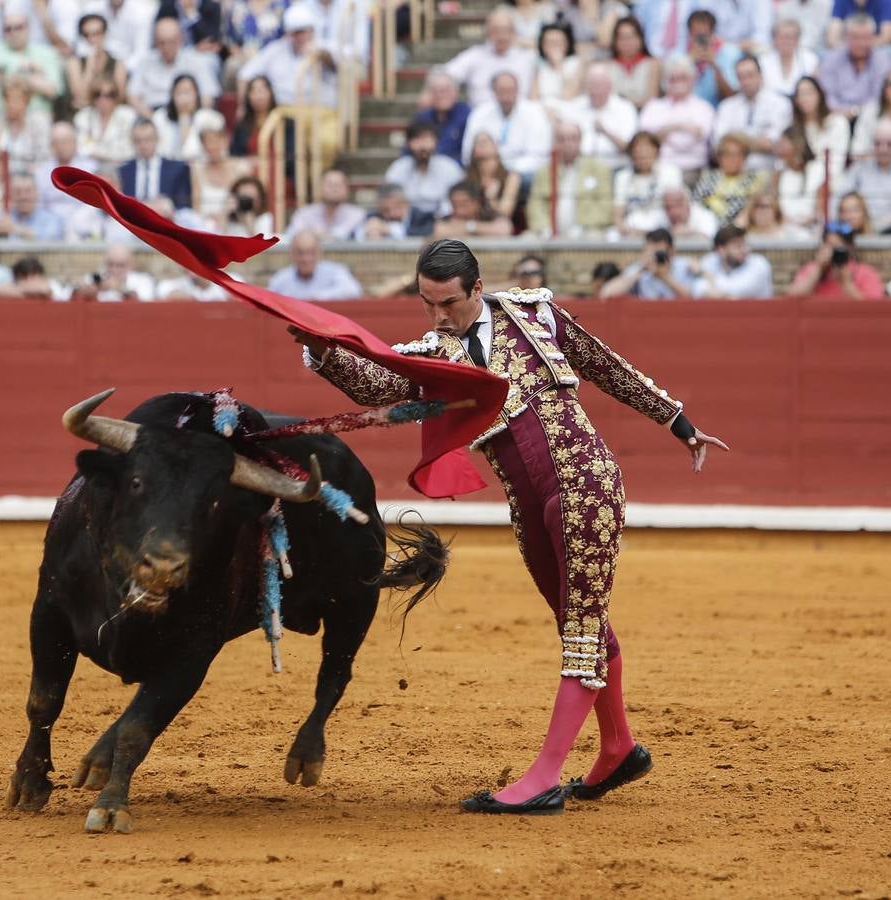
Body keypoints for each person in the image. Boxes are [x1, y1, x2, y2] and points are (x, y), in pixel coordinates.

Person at [291, 238, 726, 816]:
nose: (438, 315)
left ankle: (544, 777)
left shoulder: (536, 314)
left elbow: (605, 365)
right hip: (527, 502)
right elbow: (378, 382)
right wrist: (323, 351)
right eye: (427, 303)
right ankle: (618, 747)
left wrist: (679, 423)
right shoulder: (436, 354)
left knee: (581, 628)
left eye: (448, 302)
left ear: (477, 287)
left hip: (584, 483)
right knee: (579, 619)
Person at [234, 4, 336, 107]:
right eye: (294, 32)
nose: (299, 37)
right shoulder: (276, 49)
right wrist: (242, 107)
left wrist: (323, 56)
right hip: (283, 112)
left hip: (320, 113)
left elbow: (341, 67)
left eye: (302, 31)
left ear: (312, 31)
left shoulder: (325, 48)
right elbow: (244, 75)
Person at [527, 120, 614, 237]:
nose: (567, 144)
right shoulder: (544, 171)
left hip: (588, 231)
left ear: (580, 141)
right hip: (548, 233)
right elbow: (535, 205)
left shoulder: (598, 169)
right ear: (555, 143)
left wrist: (583, 226)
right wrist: (544, 227)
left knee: (595, 237)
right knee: (526, 239)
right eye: (562, 139)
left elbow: (605, 208)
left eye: (572, 139)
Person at [461, 71, 553, 179]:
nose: (506, 96)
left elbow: (538, 155)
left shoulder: (534, 113)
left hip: (522, 173)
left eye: (510, 90)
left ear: (518, 90)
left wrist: (509, 172)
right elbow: (468, 153)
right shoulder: (479, 113)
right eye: (501, 90)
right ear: (493, 91)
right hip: (485, 171)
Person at [443, 8, 537, 109]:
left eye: (505, 30)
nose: (501, 35)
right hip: (480, 118)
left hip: (519, 118)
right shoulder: (474, 55)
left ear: (513, 32)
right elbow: (446, 74)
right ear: (488, 33)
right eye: (496, 30)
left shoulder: (527, 58)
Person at [638, 57, 715, 177]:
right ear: (665, 81)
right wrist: (683, 127)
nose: (678, 83)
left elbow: (698, 136)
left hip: (694, 169)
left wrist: (666, 131)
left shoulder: (704, 108)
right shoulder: (653, 107)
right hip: (660, 170)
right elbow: (647, 140)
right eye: (672, 79)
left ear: (692, 79)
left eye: (683, 78)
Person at [712, 55, 791, 171]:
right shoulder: (727, 106)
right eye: (741, 77)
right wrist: (758, 143)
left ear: (761, 75)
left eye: (750, 75)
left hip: (768, 170)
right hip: (733, 173)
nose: (746, 81)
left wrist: (736, 143)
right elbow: (719, 144)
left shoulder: (780, 103)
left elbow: (774, 144)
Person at [130, 16, 218, 117]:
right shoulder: (145, 62)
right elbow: (133, 96)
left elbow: (208, 97)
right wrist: (153, 120)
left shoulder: (196, 61)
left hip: (186, 116)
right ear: (155, 41)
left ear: (180, 39)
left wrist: (191, 117)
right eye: (162, 42)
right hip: (151, 115)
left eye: (171, 42)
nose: (166, 47)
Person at [837, 120, 891, 232]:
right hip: (863, 229)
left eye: (890, 144)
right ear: (871, 144)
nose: (883, 149)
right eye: (878, 143)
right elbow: (840, 196)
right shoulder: (859, 168)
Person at [0, 8, 63, 119]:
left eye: (18, 27)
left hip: (36, 113)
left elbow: (53, 90)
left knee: (40, 119)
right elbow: (5, 80)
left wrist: (16, 77)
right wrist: (35, 75)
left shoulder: (47, 53)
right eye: (8, 29)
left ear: (28, 28)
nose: (13, 33)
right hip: (1, 114)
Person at [562, 62, 637, 170]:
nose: (595, 90)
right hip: (580, 168)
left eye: (599, 85)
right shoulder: (575, 106)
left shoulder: (625, 108)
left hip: (615, 167)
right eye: (591, 85)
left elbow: (630, 148)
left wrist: (605, 131)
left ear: (609, 86)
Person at [384, 121, 465, 218]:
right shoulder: (398, 168)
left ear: (436, 142)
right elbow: (389, 201)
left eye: (427, 139)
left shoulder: (450, 167)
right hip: (406, 223)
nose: (422, 146)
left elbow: (458, 203)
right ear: (409, 143)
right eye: (417, 139)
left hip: (443, 222)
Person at [818, 14, 891, 117]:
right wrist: (842, 111)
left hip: (871, 115)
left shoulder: (882, 60)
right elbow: (827, 94)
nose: (860, 43)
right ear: (846, 37)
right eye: (855, 37)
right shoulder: (832, 58)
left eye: (865, 37)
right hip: (836, 114)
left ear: (873, 37)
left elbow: (879, 96)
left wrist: (858, 112)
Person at [613, 130, 684, 236]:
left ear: (656, 150)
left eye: (646, 148)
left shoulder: (671, 172)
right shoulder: (623, 177)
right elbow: (618, 212)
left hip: (663, 226)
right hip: (631, 227)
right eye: (637, 149)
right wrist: (623, 228)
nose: (641, 152)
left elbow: (677, 209)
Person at [786, 223, 885, 298]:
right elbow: (793, 297)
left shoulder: (866, 273)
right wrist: (818, 269)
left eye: (838, 247)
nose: (833, 252)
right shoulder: (813, 269)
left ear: (851, 248)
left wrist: (847, 283)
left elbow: (873, 309)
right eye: (829, 246)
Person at [692, 134, 769, 226]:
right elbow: (696, 204)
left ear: (745, 157)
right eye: (727, 154)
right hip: (710, 226)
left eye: (738, 154)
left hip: (742, 228)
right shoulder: (708, 178)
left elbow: (755, 206)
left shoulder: (754, 179)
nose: (733, 159)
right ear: (719, 157)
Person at [600, 227, 696, 298]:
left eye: (659, 253)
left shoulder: (684, 266)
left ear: (672, 251)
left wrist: (664, 277)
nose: (655, 257)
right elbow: (606, 293)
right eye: (651, 252)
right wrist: (640, 271)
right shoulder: (640, 268)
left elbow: (693, 297)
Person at [119, 118, 194, 209]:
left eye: (148, 139)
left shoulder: (176, 169)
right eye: (138, 141)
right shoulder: (123, 172)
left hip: (165, 219)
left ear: (157, 139)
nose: (143, 145)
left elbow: (183, 205)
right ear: (132, 142)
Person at [266, 230, 362, 300]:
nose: (306, 259)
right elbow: (269, 301)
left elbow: (353, 290)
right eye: (300, 253)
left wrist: (318, 297)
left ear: (319, 252)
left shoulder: (335, 272)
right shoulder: (281, 278)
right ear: (292, 254)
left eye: (311, 252)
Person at [192, 120, 254, 227]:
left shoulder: (241, 168)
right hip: (208, 228)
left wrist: (225, 215)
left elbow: (248, 208)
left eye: (216, 140)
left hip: (236, 226)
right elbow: (196, 210)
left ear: (225, 141)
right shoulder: (197, 171)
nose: (211, 146)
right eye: (207, 141)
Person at [152, 74, 222, 162]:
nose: (184, 98)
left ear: (197, 94)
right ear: (172, 96)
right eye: (179, 93)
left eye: (187, 92)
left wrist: (185, 119)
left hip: (200, 167)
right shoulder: (159, 117)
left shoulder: (212, 118)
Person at [791, 75, 850, 178]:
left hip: (829, 178)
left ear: (820, 94)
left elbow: (837, 161)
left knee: (816, 170)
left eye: (808, 93)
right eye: (799, 94)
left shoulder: (838, 122)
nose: (804, 98)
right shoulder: (794, 128)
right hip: (800, 177)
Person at [65, 12, 130, 106]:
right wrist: (90, 65)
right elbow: (79, 96)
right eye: (86, 35)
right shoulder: (74, 62)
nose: (92, 39)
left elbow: (120, 97)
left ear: (105, 34)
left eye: (97, 33)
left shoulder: (118, 64)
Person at [693, 224, 773, 298]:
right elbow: (698, 289)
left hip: (756, 312)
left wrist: (707, 275)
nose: (744, 250)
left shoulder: (759, 263)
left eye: (745, 244)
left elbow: (739, 290)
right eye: (737, 246)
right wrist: (723, 296)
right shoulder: (710, 260)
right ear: (721, 250)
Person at [285, 168, 366, 240]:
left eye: (338, 185)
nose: (334, 189)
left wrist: (315, 235)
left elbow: (359, 236)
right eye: (330, 185)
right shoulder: (304, 213)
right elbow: (291, 235)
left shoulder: (358, 214)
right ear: (319, 188)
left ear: (347, 190)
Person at [683, 9, 740, 107]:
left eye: (704, 35)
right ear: (689, 34)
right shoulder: (678, 56)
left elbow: (731, 97)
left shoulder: (730, 53)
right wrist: (688, 63)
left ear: (713, 33)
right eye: (697, 35)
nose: (701, 40)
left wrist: (714, 65)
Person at [76, 76, 139, 164]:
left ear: (116, 96)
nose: (103, 99)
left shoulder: (128, 115)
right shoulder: (84, 116)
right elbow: (81, 148)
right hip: (91, 167)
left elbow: (129, 150)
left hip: (121, 167)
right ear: (92, 97)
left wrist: (99, 155)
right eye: (97, 94)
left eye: (109, 95)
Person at [412, 69, 471, 161]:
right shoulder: (422, 117)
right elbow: (409, 149)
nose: (441, 95)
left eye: (445, 90)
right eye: (436, 91)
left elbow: (468, 153)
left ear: (456, 92)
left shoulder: (467, 115)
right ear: (429, 94)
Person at [773, 125, 824, 230]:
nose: (779, 146)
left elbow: (820, 208)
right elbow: (776, 206)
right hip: (785, 228)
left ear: (797, 144)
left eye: (783, 142)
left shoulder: (817, 168)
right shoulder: (779, 171)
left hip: (811, 227)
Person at [465, 132, 522, 221]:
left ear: (495, 146)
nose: (481, 145)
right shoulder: (468, 176)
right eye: (477, 142)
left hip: (500, 224)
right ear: (474, 151)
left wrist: (491, 199)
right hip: (473, 222)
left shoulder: (510, 177)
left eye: (485, 141)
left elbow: (506, 212)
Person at [605, 15, 659, 109]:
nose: (627, 42)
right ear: (615, 41)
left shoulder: (652, 64)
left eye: (632, 37)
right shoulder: (607, 65)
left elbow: (652, 100)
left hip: (643, 114)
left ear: (641, 38)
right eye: (622, 37)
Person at [75, 243, 158, 301]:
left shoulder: (143, 281)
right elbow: (74, 290)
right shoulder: (98, 279)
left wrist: (119, 288)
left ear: (130, 265)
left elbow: (146, 304)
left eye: (120, 265)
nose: (114, 270)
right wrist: (86, 290)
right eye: (111, 264)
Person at [757, 18, 818, 97]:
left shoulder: (810, 59)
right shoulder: (763, 61)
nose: (786, 41)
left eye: (791, 37)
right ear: (774, 39)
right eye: (782, 37)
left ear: (798, 40)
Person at [0, 175, 67, 240]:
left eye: (28, 191)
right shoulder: (6, 215)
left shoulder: (52, 218)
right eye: (18, 192)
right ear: (11, 194)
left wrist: (15, 229)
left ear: (36, 192)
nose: (23, 196)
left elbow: (50, 239)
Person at [434, 180, 514, 238]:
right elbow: (440, 230)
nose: (459, 211)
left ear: (477, 202)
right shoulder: (447, 219)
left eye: (463, 205)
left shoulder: (490, 216)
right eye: (455, 205)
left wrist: (470, 226)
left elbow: (504, 230)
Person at [530, 22, 582, 108]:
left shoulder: (575, 63)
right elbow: (533, 100)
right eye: (550, 42)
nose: (554, 46)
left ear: (567, 44)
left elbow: (568, 96)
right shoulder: (539, 67)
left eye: (558, 42)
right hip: (543, 112)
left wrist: (559, 65)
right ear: (543, 46)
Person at [359, 183, 435, 240]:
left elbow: (429, 233)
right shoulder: (375, 216)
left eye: (397, 207)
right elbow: (354, 233)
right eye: (385, 210)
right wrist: (370, 230)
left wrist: (391, 230)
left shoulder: (423, 217)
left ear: (405, 202)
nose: (392, 214)